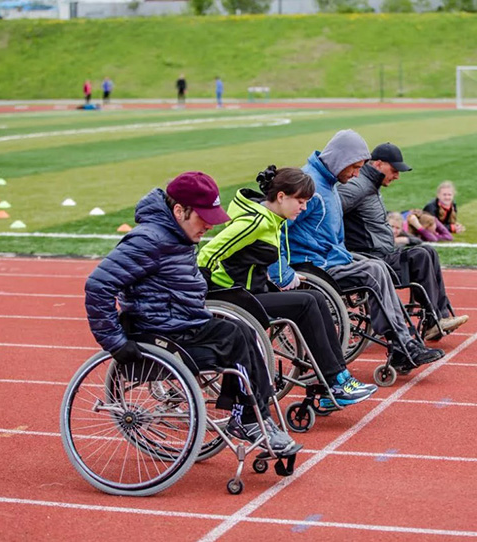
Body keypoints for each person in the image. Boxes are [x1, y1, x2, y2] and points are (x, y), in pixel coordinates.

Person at [84, 171, 299, 454]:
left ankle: (256, 417)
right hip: (159, 335)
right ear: (178, 210)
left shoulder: (178, 236)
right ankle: (249, 418)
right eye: (204, 218)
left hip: (184, 325)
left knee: (246, 332)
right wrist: (115, 342)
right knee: (236, 338)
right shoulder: (148, 240)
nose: (209, 226)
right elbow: (98, 285)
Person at [198, 165, 377, 408]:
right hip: (235, 299)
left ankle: (338, 378)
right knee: (305, 303)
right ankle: (334, 381)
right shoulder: (255, 222)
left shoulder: (274, 219)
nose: (303, 208)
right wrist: (203, 294)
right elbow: (207, 253)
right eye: (300, 201)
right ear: (281, 197)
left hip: (254, 292)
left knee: (314, 297)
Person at [270, 129, 444, 370]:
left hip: (330, 257)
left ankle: (402, 343)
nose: (356, 174)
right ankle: (401, 345)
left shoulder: (328, 183)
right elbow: (274, 227)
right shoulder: (311, 187)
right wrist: (280, 269)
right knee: (373, 270)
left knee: (378, 267)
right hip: (312, 265)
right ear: (341, 160)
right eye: (354, 168)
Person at [338, 142, 468, 341]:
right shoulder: (357, 187)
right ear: (378, 164)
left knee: (427, 251)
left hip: (381, 252)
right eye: (394, 170)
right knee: (422, 255)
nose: (397, 176)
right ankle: (434, 320)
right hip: (369, 258)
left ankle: (438, 317)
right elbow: (330, 213)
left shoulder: (370, 185)